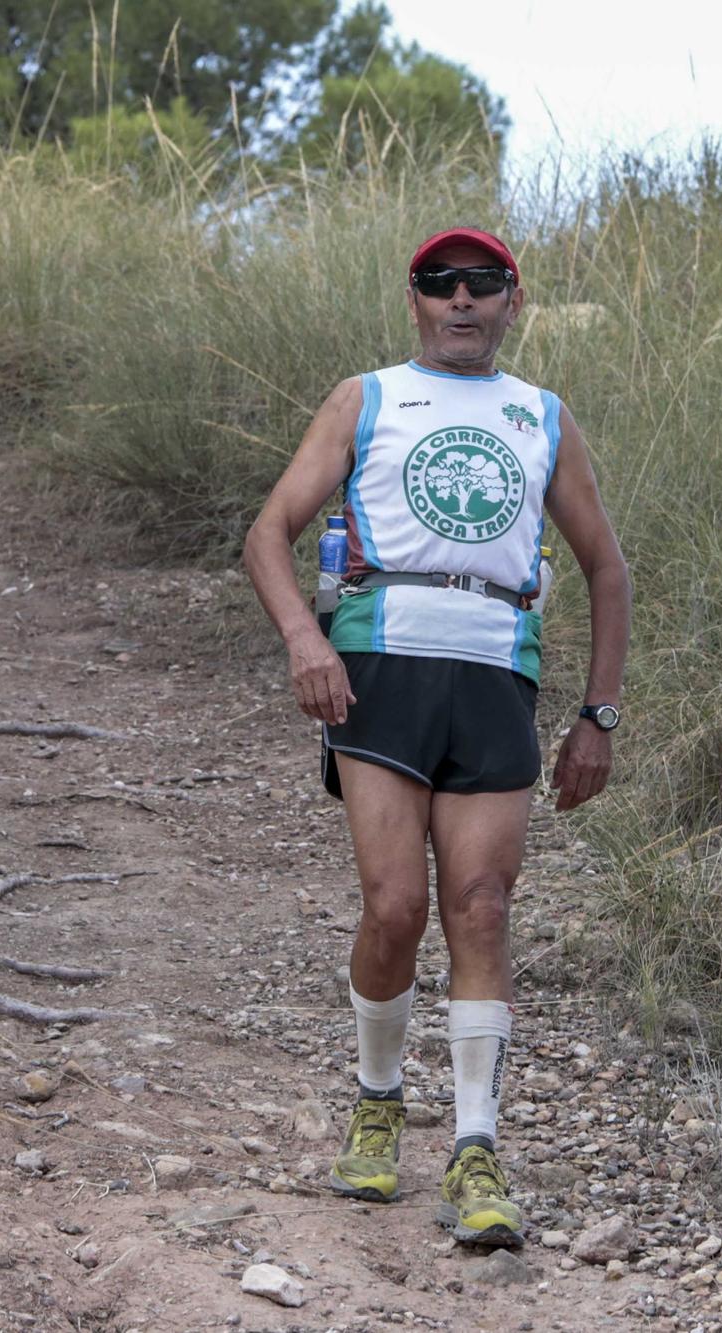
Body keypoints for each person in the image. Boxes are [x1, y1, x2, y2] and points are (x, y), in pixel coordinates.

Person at [242, 226, 631, 1249]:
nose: (461, 299)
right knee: (395, 905)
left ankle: (473, 1144)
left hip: (496, 670)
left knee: (483, 906)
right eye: (440, 283)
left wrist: (597, 715)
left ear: (513, 300)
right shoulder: (365, 396)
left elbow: (605, 567)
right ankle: (377, 1099)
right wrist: (301, 641)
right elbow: (267, 530)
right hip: (381, 664)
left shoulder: (540, 415)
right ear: (412, 299)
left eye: (482, 283)